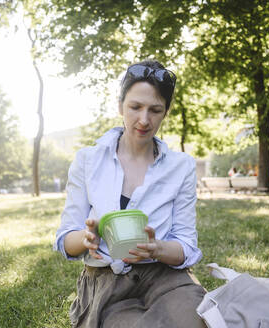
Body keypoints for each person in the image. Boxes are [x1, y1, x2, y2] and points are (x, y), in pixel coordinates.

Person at [54, 60, 207, 328]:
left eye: (155, 110)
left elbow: (186, 246)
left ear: (165, 113)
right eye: (135, 107)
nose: (144, 120)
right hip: (108, 285)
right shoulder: (88, 160)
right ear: (120, 106)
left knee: (198, 319)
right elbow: (65, 240)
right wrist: (87, 237)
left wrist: (157, 248)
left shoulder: (181, 166)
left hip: (165, 278)